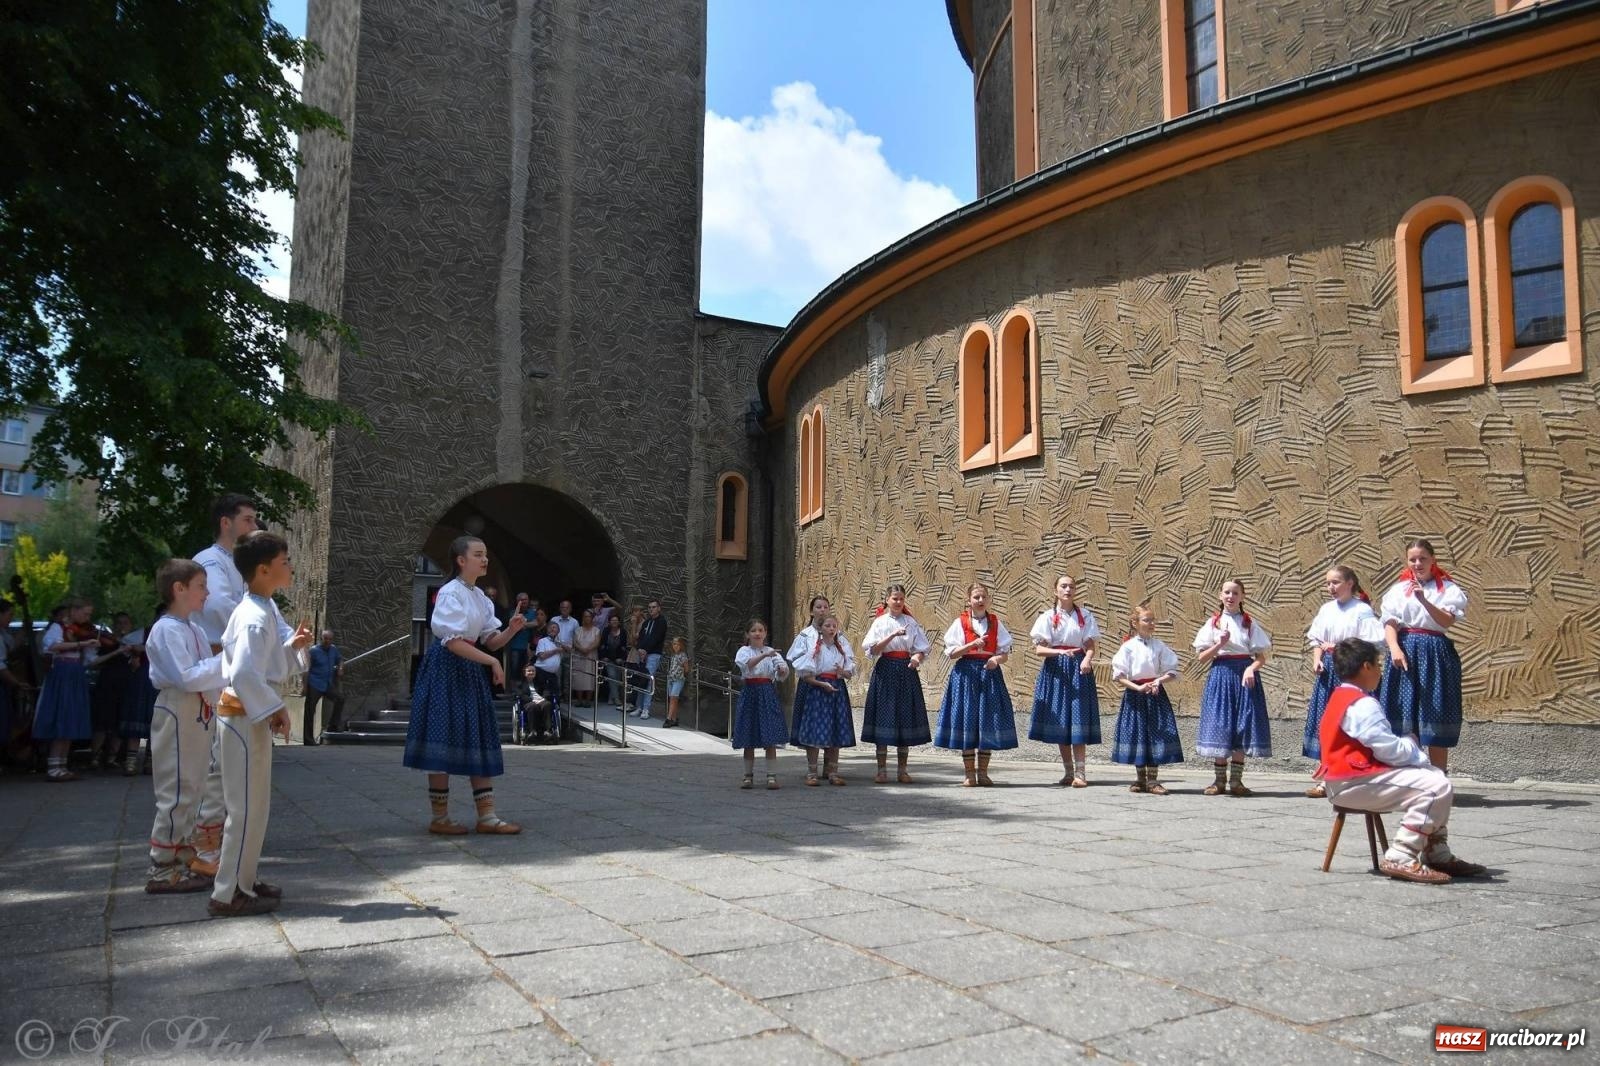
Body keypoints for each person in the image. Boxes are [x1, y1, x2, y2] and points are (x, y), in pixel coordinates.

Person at [1319, 637, 1486, 883]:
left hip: (1346, 781)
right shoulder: (1362, 704)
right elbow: (1388, 750)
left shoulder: (1340, 697)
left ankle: (1436, 850)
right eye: (1377, 664)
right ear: (1366, 667)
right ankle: (1402, 854)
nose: (1379, 670)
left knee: (1435, 777)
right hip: (1353, 784)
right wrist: (1412, 746)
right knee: (1437, 786)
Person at [210, 531, 311, 917]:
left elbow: (264, 662)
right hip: (240, 716)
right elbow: (244, 673)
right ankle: (225, 893)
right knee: (244, 807)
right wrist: (275, 708)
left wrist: (292, 646)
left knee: (256, 805)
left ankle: (244, 881)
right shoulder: (253, 615)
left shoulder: (263, 606)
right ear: (264, 569)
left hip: (245, 716)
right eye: (285, 561)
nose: (290, 566)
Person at [402, 535, 527, 835]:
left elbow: (490, 640)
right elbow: (454, 643)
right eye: (478, 554)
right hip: (446, 669)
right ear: (461, 560)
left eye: (485, 554)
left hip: (469, 669)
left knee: (479, 737)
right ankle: (440, 818)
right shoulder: (449, 593)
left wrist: (510, 630)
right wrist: (491, 662)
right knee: (441, 736)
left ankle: (487, 817)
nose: (485, 559)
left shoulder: (480, 597)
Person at [143, 561, 224, 894]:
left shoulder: (193, 628)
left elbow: (205, 675)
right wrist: (229, 660)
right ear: (179, 588)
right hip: (177, 707)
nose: (207, 593)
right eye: (201, 585)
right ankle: (163, 866)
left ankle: (183, 856)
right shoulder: (166, 629)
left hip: (197, 710)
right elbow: (187, 676)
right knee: (177, 788)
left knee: (193, 785)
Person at [190, 493, 258, 874]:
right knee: (217, 760)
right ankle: (204, 847)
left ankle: (226, 842)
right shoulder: (209, 560)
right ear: (225, 523)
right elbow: (216, 607)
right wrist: (255, 624)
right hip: (217, 664)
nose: (254, 525)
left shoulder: (245, 566)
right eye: (247, 519)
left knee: (236, 759)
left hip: (237, 665)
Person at [1380, 539, 1468, 775]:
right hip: (1405, 653)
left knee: (1434, 712)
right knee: (1405, 714)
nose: (1417, 563)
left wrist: (1424, 600)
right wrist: (1395, 648)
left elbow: (1446, 621)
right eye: (1412, 559)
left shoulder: (1447, 589)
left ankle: (1438, 776)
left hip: (1435, 655)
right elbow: (1390, 622)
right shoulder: (1398, 590)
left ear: (1433, 560)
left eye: (1422, 559)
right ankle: (1409, 775)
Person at [1303, 566, 1384, 798]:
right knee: (1327, 722)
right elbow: (1317, 640)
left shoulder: (1361, 610)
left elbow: (1371, 644)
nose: (1331, 587)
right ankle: (1326, 779)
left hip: (1351, 672)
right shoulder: (1326, 609)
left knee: (1351, 723)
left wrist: (1339, 648)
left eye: (1336, 582)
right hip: (1329, 671)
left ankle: (1355, 776)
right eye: (1328, 583)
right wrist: (1318, 659)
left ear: (1350, 583)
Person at [1193, 579, 1273, 797]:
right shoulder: (1213, 624)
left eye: (1235, 593)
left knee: (1242, 723)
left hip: (1244, 677)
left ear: (1242, 596)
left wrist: (1250, 669)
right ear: (1220, 596)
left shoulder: (1248, 623)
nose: (1230, 596)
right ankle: (1219, 781)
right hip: (1221, 675)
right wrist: (1219, 644)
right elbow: (1201, 658)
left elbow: (1260, 657)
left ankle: (1236, 781)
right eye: (1227, 592)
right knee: (1221, 723)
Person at [935, 582, 1016, 787]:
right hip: (966, 675)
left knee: (987, 720)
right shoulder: (960, 623)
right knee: (967, 719)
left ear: (988, 599)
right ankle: (969, 774)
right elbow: (952, 653)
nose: (980, 601)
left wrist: (996, 660)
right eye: (976, 597)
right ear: (969, 600)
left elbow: (1004, 652)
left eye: (983, 597)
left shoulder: (996, 623)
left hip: (989, 674)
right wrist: (971, 645)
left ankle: (984, 773)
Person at [1028, 576, 1102, 787]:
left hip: (1079, 669)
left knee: (1077, 719)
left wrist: (1087, 660)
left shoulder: (1085, 616)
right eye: (1064, 586)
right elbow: (1039, 649)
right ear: (1055, 591)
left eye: (1072, 586)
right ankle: (1068, 772)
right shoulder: (1047, 617)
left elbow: (1089, 645)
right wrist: (1059, 653)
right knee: (1062, 720)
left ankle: (1081, 773)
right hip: (1056, 670)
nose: (1068, 589)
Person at [859, 584, 932, 784]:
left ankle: (902, 770)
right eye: (894, 599)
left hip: (906, 671)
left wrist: (916, 658)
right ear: (887, 600)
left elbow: (922, 648)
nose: (898, 602)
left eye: (901, 599)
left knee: (904, 717)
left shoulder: (910, 622)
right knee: (884, 716)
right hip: (886, 670)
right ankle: (881, 770)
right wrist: (891, 636)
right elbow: (872, 650)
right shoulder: (880, 622)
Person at [1110, 603, 1183, 794]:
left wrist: (1158, 681)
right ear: (1135, 623)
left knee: (1156, 734)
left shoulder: (1159, 645)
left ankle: (1153, 781)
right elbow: (1119, 675)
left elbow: (1172, 670)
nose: (1151, 624)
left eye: (1153, 620)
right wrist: (1138, 687)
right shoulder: (1128, 647)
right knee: (1138, 734)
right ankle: (1140, 779)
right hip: (1136, 696)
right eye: (1146, 620)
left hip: (1155, 695)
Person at [32, 598, 98, 781]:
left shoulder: (80, 631)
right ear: (74, 611)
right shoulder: (58, 627)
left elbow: (89, 659)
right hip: (62, 675)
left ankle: (62, 765)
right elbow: (51, 646)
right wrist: (81, 644)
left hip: (75, 674)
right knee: (62, 715)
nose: (87, 617)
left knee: (70, 717)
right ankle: (53, 768)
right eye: (85, 613)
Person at [795, 613, 857, 785]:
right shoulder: (815, 649)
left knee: (835, 730)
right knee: (815, 731)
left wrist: (842, 672)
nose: (831, 629)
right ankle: (812, 772)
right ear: (820, 629)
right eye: (827, 626)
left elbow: (849, 673)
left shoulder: (841, 648)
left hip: (836, 690)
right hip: (818, 691)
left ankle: (833, 772)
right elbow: (806, 676)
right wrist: (822, 685)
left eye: (834, 626)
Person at [733, 620, 788, 789]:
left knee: (770, 736)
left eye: (761, 630)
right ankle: (747, 776)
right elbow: (747, 665)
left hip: (767, 692)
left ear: (765, 633)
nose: (757, 633)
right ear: (747, 634)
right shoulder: (744, 651)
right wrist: (764, 655)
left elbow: (782, 671)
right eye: (753, 630)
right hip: (751, 692)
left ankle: (771, 776)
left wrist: (781, 670)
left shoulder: (773, 653)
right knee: (749, 735)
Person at [89, 612, 137, 771]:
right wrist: (116, 651)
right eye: (119, 623)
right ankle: (95, 756)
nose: (122, 626)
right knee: (102, 722)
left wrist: (133, 654)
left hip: (126, 684)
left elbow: (136, 665)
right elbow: (94, 663)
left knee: (120, 721)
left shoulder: (134, 644)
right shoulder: (106, 642)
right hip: (107, 683)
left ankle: (112, 757)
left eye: (125, 623)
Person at [784, 596, 832, 751]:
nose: (822, 610)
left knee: (830, 725)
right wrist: (809, 666)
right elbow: (794, 657)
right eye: (818, 607)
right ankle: (812, 769)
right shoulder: (805, 635)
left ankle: (829, 768)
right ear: (812, 611)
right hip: (810, 682)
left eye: (825, 607)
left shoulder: (835, 633)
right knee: (811, 726)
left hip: (831, 682)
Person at [118, 610, 159, 776]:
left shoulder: (176, 633)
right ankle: (131, 762)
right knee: (138, 718)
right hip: (143, 679)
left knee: (155, 721)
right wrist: (136, 651)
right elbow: (125, 642)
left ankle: (150, 761)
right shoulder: (146, 632)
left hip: (159, 680)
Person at [302, 630, 345, 744]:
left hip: (327, 684)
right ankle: (308, 739)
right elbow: (306, 669)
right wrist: (305, 687)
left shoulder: (333, 649)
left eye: (330, 639)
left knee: (339, 699)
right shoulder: (314, 651)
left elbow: (340, 659)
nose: (328, 641)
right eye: (325, 639)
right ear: (321, 638)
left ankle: (332, 726)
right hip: (314, 683)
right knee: (310, 711)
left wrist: (340, 668)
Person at [634, 599, 667, 719]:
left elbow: (656, 638)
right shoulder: (647, 622)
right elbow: (641, 637)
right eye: (649, 607)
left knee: (648, 681)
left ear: (659, 608)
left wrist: (646, 650)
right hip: (642, 653)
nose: (651, 609)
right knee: (640, 679)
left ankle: (646, 709)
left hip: (653, 654)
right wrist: (640, 649)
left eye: (654, 607)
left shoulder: (662, 622)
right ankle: (639, 707)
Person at [511, 662, 550, 744]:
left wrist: (543, 698)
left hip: (541, 700)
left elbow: (547, 690)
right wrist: (531, 700)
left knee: (547, 705)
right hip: (528, 702)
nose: (531, 672)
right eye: (529, 671)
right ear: (525, 673)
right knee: (533, 706)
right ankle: (532, 731)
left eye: (533, 671)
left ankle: (547, 731)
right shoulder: (519, 683)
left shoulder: (540, 682)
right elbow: (520, 694)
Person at [505, 593, 537, 682]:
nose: (523, 601)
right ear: (517, 601)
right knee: (515, 670)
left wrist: (523, 624)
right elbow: (516, 627)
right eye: (521, 600)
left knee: (527, 670)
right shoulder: (513, 612)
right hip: (515, 646)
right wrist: (528, 624)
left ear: (528, 600)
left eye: (525, 599)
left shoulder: (532, 612)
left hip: (527, 647)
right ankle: (515, 692)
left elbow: (536, 623)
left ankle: (525, 691)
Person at [571, 609, 600, 706]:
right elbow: (574, 642)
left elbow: (597, 642)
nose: (587, 618)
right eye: (585, 616)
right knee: (579, 677)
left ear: (592, 618)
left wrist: (588, 649)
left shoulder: (596, 630)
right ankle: (579, 700)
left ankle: (588, 700)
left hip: (591, 656)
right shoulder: (577, 630)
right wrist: (581, 649)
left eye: (589, 616)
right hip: (579, 656)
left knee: (590, 677)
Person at [533, 621, 565, 708]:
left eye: (554, 627)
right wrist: (556, 650)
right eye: (550, 627)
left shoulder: (560, 643)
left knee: (556, 695)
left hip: (552, 674)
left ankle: (553, 714)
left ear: (558, 631)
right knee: (539, 694)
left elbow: (571, 650)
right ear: (547, 630)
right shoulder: (542, 641)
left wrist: (562, 645)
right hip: (540, 672)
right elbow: (541, 655)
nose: (552, 629)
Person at [598, 613, 628, 705]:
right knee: (612, 676)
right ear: (609, 622)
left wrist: (622, 658)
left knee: (617, 679)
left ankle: (611, 698)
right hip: (608, 658)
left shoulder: (623, 632)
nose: (614, 622)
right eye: (612, 620)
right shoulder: (606, 631)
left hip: (619, 659)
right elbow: (602, 644)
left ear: (619, 622)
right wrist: (603, 657)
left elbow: (624, 646)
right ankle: (617, 698)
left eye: (616, 620)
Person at [663, 636, 690, 728]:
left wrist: (680, 672)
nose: (675, 646)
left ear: (681, 645)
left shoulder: (683, 655)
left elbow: (687, 669)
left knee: (674, 698)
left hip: (678, 679)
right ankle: (674, 719)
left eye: (678, 644)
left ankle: (669, 718)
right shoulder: (673, 655)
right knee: (672, 699)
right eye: (674, 644)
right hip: (671, 678)